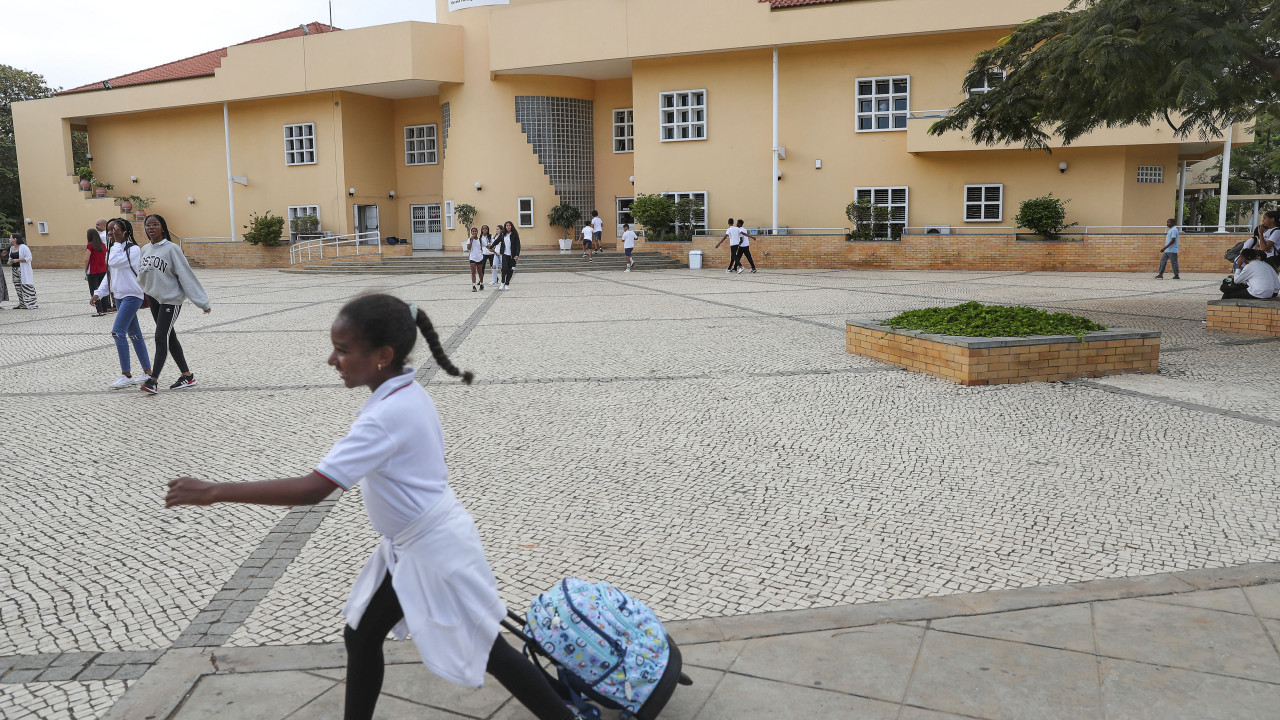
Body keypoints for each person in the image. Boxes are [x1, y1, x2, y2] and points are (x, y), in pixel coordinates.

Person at [164, 294, 575, 720]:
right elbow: (364, 477)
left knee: (487, 648)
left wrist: (213, 491)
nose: (332, 360)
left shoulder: (386, 415)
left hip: (432, 551)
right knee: (362, 635)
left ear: (383, 356)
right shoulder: (405, 393)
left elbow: (312, 489)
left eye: (342, 350)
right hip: (420, 545)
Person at [138, 214, 211, 394]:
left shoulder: (172, 249)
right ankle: (187, 376)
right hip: (154, 299)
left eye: (155, 224)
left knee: (160, 337)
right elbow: (142, 275)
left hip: (171, 300)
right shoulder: (145, 249)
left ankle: (153, 381)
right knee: (170, 337)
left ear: (163, 227)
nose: (151, 228)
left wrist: (202, 302)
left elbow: (186, 275)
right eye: (148, 225)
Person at [91, 218, 152, 389]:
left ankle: (126, 374)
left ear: (125, 231)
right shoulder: (113, 250)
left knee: (118, 332)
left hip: (133, 295)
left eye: (114, 229)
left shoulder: (133, 249)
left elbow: (113, 262)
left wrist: (117, 243)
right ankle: (148, 372)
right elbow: (110, 273)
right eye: (109, 230)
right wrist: (98, 293)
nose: (111, 233)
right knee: (135, 334)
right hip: (118, 295)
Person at [86, 228, 111, 316]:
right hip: (103, 270)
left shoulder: (90, 245)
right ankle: (104, 309)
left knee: (94, 290)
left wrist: (85, 269)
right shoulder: (103, 245)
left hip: (93, 271)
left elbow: (87, 259)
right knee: (102, 290)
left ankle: (99, 310)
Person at [9, 233, 37, 309]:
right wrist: (10, 260)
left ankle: (32, 304)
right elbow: (10, 258)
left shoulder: (24, 247)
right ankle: (22, 304)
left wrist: (17, 260)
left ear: (15, 239)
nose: (9, 239)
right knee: (18, 287)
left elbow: (29, 258)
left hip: (23, 270)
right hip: (14, 270)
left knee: (27, 286)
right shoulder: (11, 248)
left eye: (10, 238)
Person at [499, 221, 520, 290]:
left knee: (510, 270)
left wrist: (517, 254)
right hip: (505, 254)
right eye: (507, 225)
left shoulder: (515, 234)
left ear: (511, 226)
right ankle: (502, 283)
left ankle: (507, 284)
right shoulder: (503, 234)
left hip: (512, 255)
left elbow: (518, 245)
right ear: (505, 227)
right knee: (504, 269)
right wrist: (491, 246)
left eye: (509, 225)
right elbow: (497, 240)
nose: (508, 227)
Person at [465, 227, 486, 292]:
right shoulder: (469, 239)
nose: (474, 232)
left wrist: (493, 251)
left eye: (475, 231)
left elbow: (486, 246)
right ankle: (474, 286)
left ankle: (481, 283)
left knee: (480, 272)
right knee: (473, 271)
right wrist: (471, 240)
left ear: (477, 232)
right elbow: (468, 248)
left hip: (479, 257)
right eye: (473, 231)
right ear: (471, 232)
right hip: (472, 257)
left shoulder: (480, 240)